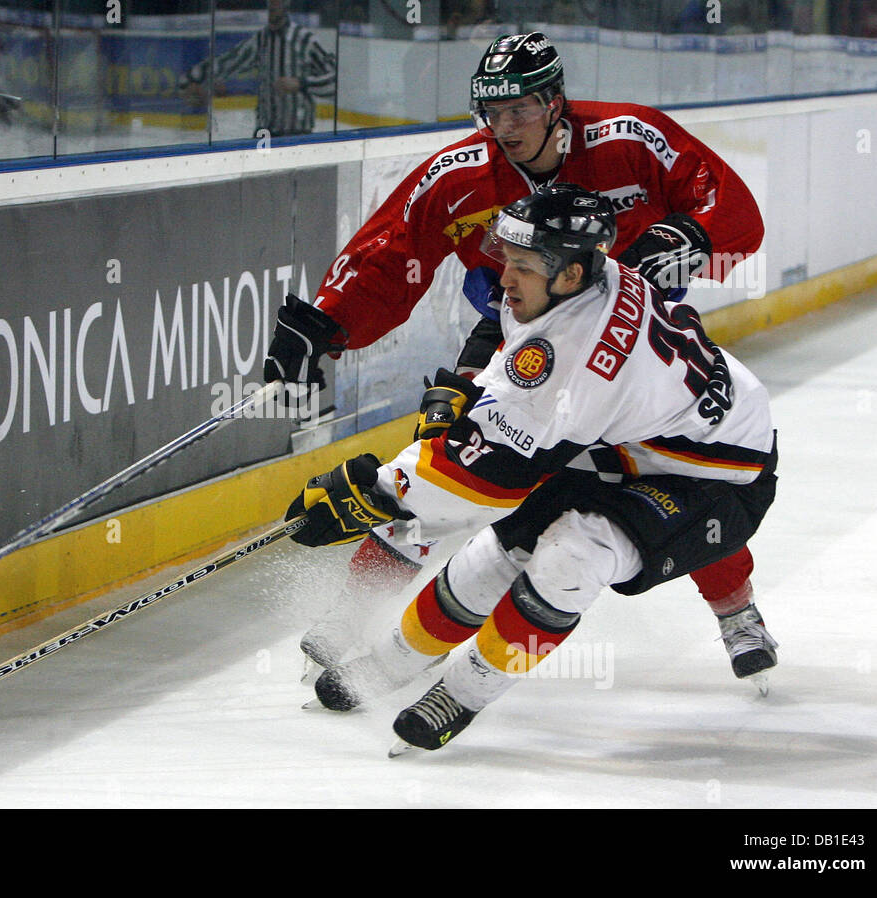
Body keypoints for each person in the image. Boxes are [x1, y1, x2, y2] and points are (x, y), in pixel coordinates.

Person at [263, 31, 775, 684]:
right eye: (493, 112)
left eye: (521, 110)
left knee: (665, 473)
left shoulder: (630, 138)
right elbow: (391, 250)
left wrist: (694, 234)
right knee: (448, 451)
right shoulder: (461, 175)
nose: (504, 127)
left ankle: (736, 610)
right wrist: (325, 322)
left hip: (634, 355)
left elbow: (728, 206)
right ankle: (349, 616)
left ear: (555, 102)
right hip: (518, 339)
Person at [283, 184, 778, 753]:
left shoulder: (580, 358)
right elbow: (509, 362)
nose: (504, 277)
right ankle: (392, 660)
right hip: (631, 444)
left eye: (521, 265)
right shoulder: (579, 283)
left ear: (569, 273)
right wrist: (469, 395)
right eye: (507, 258)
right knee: (495, 554)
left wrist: (377, 490)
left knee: (573, 554)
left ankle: (465, 691)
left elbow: (486, 481)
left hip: (716, 480)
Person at [178, 0, 336, 138]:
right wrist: (190, 79)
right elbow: (228, 62)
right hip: (265, 132)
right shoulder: (261, 39)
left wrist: (301, 83)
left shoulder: (304, 39)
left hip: (298, 132)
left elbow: (333, 81)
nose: (272, 4)